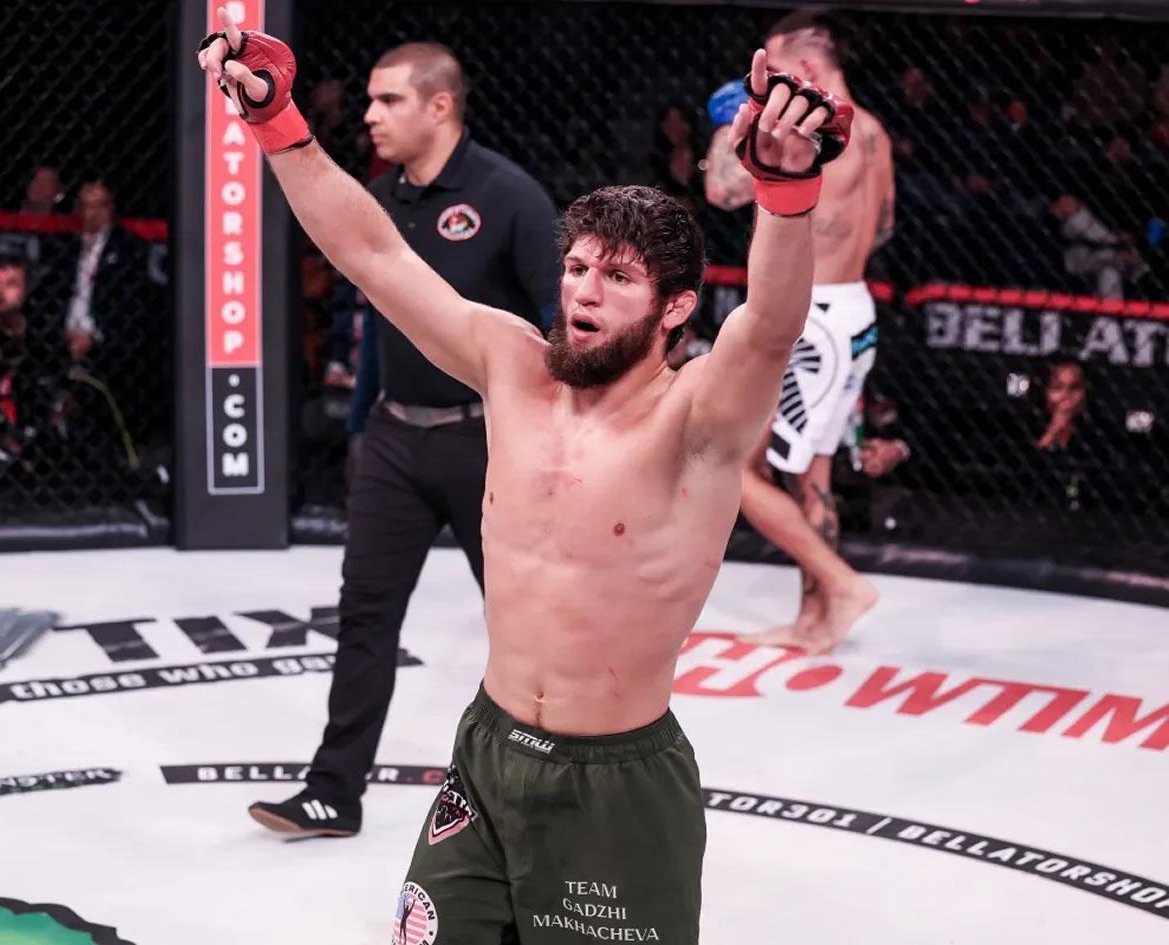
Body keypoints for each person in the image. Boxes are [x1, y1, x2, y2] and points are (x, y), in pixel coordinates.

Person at [200, 12, 848, 938]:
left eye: (617, 277)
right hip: (488, 753)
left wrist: (786, 190)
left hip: (618, 779)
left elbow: (772, 326)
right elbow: (375, 256)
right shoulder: (512, 363)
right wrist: (278, 125)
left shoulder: (696, 418)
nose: (583, 290)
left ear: (674, 309)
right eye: (577, 267)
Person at [245, 39, 561, 837]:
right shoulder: (378, 198)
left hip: (487, 441)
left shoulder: (509, 196)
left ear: (440, 106)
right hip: (394, 436)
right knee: (365, 614)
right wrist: (363, 429)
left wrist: (550, 444)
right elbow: (379, 327)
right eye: (370, 100)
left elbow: (563, 326)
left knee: (526, 627)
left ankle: (553, 793)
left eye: (388, 100)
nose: (370, 116)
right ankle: (333, 790)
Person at [704, 8, 893, 653]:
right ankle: (816, 621)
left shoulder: (806, 129)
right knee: (811, 477)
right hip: (853, 309)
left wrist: (726, 122)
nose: (769, 84)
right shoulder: (874, 132)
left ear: (807, 67)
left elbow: (722, 190)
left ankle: (842, 585)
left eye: (776, 69)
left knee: (734, 467)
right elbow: (884, 226)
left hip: (811, 324)